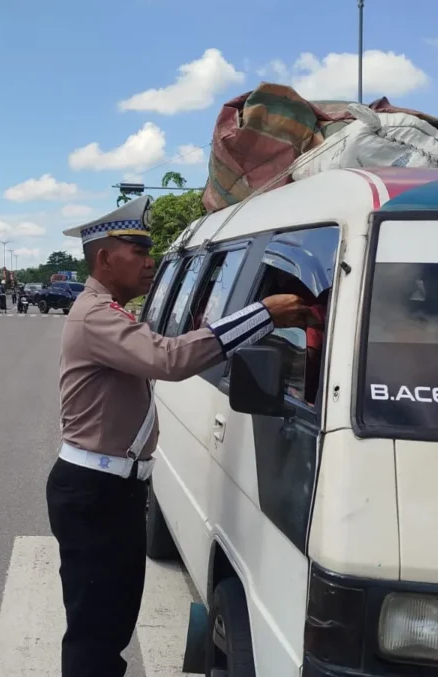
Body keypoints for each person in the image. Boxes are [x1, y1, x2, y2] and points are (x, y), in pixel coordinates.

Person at [48, 197, 313, 677]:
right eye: (138, 250)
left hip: (115, 489)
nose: (150, 261)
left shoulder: (113, 311)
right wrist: (263, 314)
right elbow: (168, 359)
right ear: (105, 258)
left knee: (112, 624)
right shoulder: (93, 315)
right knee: (95, 633)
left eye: (150, 251)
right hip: (94, 493)